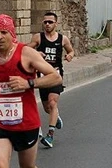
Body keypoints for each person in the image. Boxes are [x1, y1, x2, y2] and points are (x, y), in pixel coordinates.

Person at [0, 14, 62, 168]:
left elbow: (55, 77)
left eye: (4, 32)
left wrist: (29, 83)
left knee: (27, 166)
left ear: (11, 33)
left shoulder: (26, 53)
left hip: (25, 123)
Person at [27, 12, 75, 148]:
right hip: (42, 76)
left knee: (53, 103)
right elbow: (25, 49)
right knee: (48, 108)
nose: (47, 24)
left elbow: (71, 50)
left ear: (56, 24)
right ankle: (56, 116)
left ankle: (50, 135)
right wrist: (36, 53)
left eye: (50, 22)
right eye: (45, 22)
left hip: (56, 75)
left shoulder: (62, 39)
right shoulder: (38, 38)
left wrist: (70, 56)